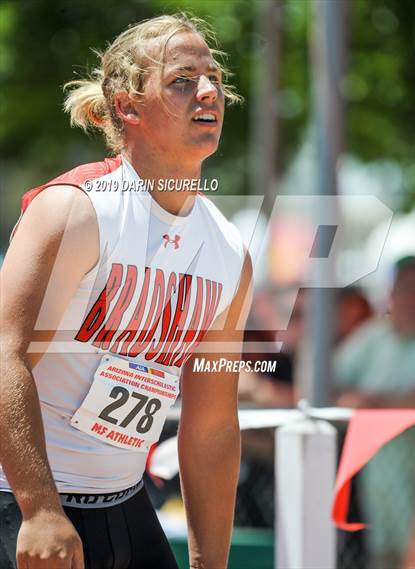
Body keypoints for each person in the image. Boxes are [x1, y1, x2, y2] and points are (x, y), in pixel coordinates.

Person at [0, 14, 252, 569]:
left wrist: (211, 564)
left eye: (213, 78)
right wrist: (40, 509)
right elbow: (4, 356)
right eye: (182, 80)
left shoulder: (229, 250)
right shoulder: (78, 210)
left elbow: (211, 423)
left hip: (125, 503)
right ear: (127, 106)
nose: (208, 91)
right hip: (21, 501)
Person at [334, 256, 415, 569]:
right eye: (407, 289)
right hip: (376, 499)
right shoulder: (373, 338)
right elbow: (329, 385)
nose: (414, 298)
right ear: (392, 293)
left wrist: (376, 404)